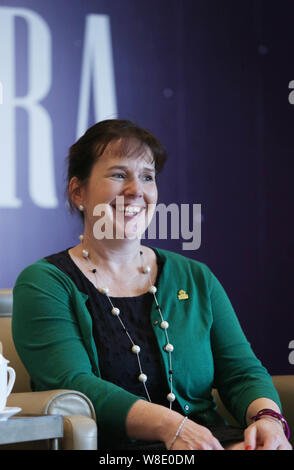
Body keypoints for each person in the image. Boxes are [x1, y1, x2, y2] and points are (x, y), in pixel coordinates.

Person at [12, 119, 291, 450]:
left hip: (210, 442)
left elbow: (242, 373)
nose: (136, 190)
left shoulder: (195, 276)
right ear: (78, 192)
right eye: (119, 175)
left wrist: (269, 421)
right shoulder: (44, 283)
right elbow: (73, 386)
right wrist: (172, 427)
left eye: (147, 176)